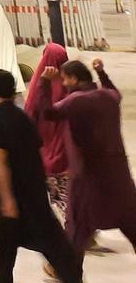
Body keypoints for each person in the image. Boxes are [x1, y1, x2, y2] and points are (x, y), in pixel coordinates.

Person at [0, 68, 88, 283]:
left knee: (6, 251)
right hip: (34, 195)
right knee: (56, 249)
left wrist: (7, 199)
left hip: (12, 197)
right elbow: (36, 151)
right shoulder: (24, 118)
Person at [37, 57, 136, 259]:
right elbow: (115, 92)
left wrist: (45, 82)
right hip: (119, 176)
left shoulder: (76, 101)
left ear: (73, 79)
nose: (63, 84)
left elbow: (48, 113)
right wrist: (101, 73)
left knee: (77, 231)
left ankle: (73, 281)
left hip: (89, 178)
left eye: (65, 80)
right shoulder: (109, 97)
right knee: (131, 222)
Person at [23, 43, 71, 215]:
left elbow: (30, 112)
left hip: (46, 148)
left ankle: (70, 223)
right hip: (67, 148)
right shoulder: (70, 82)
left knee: (55, 190)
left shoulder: (40, 83)